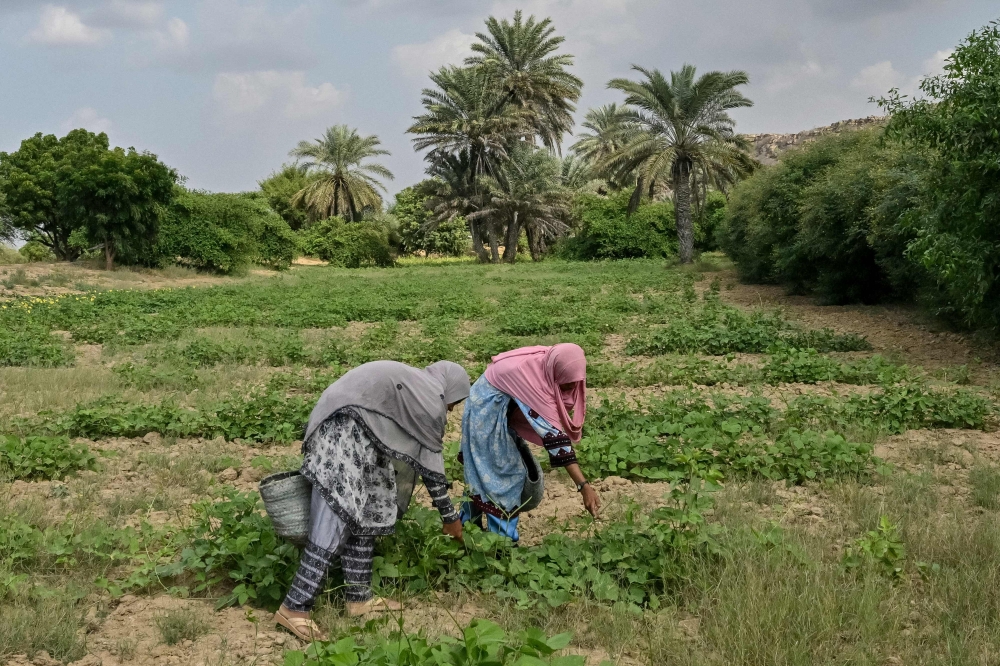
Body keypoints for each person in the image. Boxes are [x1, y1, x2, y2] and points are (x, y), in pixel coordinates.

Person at [274, 360, 470, 641]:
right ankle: (294, 606)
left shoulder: (420, 387)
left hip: (364, 434)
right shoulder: (430, 398)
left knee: (372, 508)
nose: (451, 409)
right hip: (342, 431)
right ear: (451, 390)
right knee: (336, 515)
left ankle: (359, 598)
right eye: (455, 402)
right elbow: (432, 469)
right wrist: (450, 518)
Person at [459, 344, 599, 541]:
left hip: (498, 413)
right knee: (502, 477)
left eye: (574, 382)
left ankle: (465, 532)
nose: (570, 388)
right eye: (566, 383)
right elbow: (554, 438)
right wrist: (583, 486)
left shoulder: (545, 366)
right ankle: (502, 545)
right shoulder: (526, 377)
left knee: (482, 472)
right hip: (484, 416)